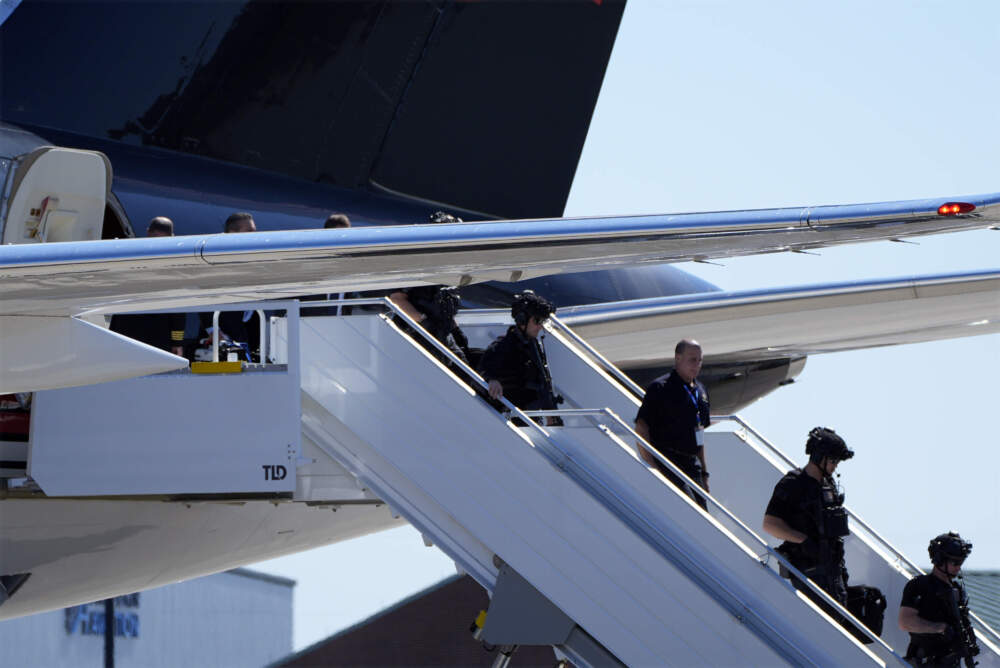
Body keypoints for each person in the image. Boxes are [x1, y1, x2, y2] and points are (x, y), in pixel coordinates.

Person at [763, 427, 854, 609]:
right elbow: (770, 524)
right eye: (833, 460)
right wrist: (803, 540)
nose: (836, 466)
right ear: (819, 457)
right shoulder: (793, 484)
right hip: (807, 572)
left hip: (833, 570)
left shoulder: (828, 485)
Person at [634, 339, 710, 509]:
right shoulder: (660, 388)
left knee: (703, 513)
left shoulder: (701, 391)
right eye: (692, 359)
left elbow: (700, 432)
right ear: (678, 358)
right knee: (688, 509)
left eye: (700, 360)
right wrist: (653, 466)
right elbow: (641, 427)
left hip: (692, 465)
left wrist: (704, 472)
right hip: (668, 460)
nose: (697, 365)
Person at [478, 290, 561, 425]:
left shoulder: (533, 345)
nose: (540, 326)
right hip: (513, 417)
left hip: (531, 416)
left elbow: (542, 382)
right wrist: (492, 380)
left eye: (542, 321)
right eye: (537, 321)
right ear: (522, 320)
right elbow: (484, 368)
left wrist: (550, 412)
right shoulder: (503, 346)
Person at [899, 532, 980, 667]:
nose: (958, 567)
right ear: (940, 560)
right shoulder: (920, 585)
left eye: (961, 562)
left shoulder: (957, 590)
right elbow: (905, 622)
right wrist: (939, 628)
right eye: (955, 562)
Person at [109, 217, 185, 355]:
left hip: (124, 333)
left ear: (148, 232)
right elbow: (178, 309)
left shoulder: (127, 257)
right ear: (171, 237)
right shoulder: (174, 265)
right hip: (158, 336)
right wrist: (177, 342)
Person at [389, 284, 470, 363]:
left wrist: (455, 330)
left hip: (443, 332)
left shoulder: (442, 277)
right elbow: (397, 299)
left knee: (462, 367)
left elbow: (443, 307)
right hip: (419, 333)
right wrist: (423, 321)